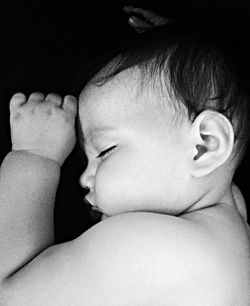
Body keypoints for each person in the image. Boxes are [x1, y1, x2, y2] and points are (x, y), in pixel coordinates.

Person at [0, 22, 250, 305]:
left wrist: (33, 155)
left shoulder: (164, 249)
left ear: (204, 146)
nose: (83, 179)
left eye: (105, 152)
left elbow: (8, 293)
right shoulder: (232, 222)